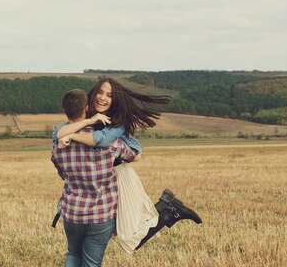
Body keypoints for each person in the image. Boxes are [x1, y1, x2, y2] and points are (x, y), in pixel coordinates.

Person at [55, 78, 202, 254]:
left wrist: (72, 136)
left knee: (127, 236)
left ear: (115, 100)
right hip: (101, 181)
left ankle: (169, 211)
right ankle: (164, 206)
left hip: (119, 177)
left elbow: (102, 142)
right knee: (113, 229)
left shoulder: (116, 123)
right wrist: (71, 132)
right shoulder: (87, 116)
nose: (102, 98)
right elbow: (60, 132)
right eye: (100, 92)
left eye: (109, 95)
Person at [51, 88, 139, 267]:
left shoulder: (59, 142)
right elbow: (135, 154)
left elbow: (59, 169)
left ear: (64, 111)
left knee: (72, 253)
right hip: (100, 215)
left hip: (72, 212)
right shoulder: (107, 141)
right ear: (88, 108)